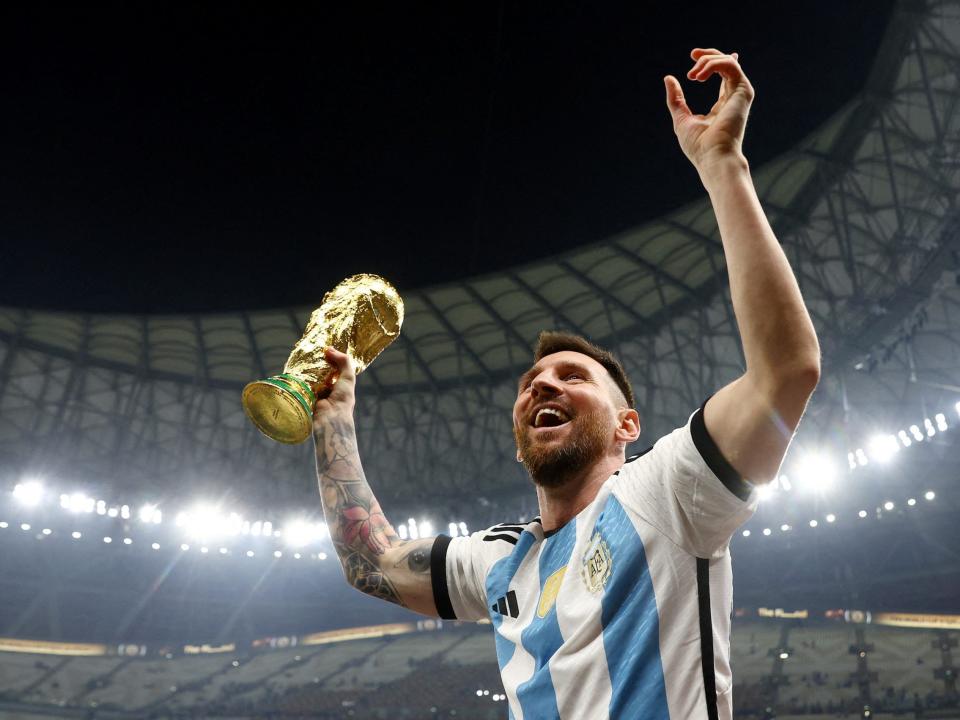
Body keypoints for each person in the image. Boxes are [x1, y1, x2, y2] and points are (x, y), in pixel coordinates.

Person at [312, 48, 820, 720]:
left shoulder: (665, 493)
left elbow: (786, 373)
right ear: (519, 438)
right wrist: (334, 418)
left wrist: (723, 165)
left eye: (572, 377)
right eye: (530, 383)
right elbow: (369, 560)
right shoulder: (498, 560)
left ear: (627, 426)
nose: (542, 387)